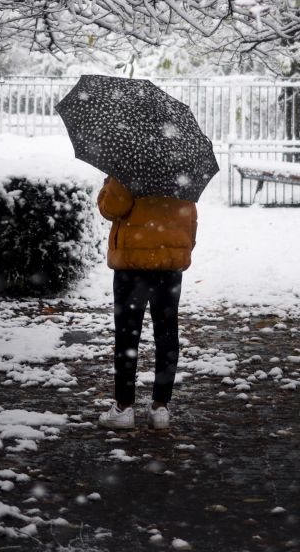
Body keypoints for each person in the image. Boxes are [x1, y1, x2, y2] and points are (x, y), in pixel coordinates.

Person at [96, 173, 197, 430]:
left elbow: (111, 208)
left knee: (128, 334)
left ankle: (123, 406)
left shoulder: (128, 167)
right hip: (168, 267)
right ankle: (160, 407)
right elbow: (190, 222)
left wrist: (109, 185)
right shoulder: (181, 173)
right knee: (166, 332)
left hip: (132, 265)